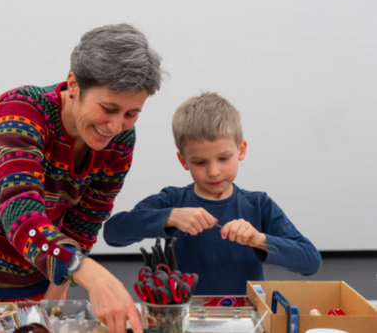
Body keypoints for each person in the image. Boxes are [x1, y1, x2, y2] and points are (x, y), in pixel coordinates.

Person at [0, 23, 163, 333]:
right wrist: (85, 271)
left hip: (43, 268)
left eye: (131, 114)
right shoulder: (17, 114)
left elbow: (85, 223)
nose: (117, 125)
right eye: (109, 108)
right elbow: (21, 216)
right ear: (74, 84)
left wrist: (51, 304)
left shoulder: (120, 141)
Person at [103, 92, 322, 295]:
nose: (213, 172)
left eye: (224, 158)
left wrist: (259, 239)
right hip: (184, 320)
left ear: (241, 150)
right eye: (200, 162)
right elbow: (113, 233)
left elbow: (311, 261)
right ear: (183, 161)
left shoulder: (259, 205)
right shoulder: (173, 201)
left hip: (245, 321)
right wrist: (169, 217)